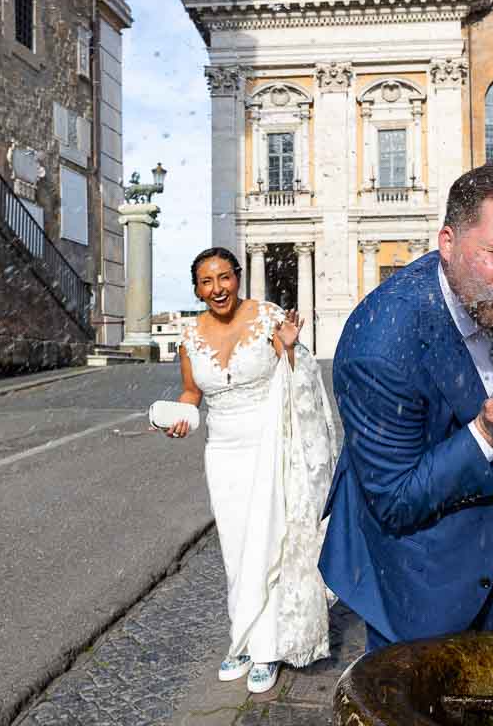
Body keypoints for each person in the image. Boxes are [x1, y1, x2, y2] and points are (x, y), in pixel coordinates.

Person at [317, 162, 493, 651]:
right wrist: (482, 434)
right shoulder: (381, 347)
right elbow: (394, 499)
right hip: (418, 564)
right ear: (448, 243)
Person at [164, 247, 337, 693]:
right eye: (207, 281)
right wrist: (179, 417)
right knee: (236, 549)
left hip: (271, 444)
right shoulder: (189, 334)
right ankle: (240, 638)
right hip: (222, 452)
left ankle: (267, 648)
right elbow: (190, 392)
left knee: (269, 540)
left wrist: (293, 346)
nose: (217, 288)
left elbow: (298, 375)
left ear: (238, 277)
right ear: (197, 288)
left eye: (224, 277)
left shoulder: (267, 316)